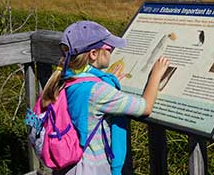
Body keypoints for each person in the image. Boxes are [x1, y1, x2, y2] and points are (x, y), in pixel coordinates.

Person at [40, 20, 170, 175]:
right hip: (91, 168)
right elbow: (145, 107)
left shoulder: (64, 78)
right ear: (93, 54)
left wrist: (107, 81)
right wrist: (155, 74)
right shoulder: (97, 91)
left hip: (68, 166)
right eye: (108, 48)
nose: (112, 50)